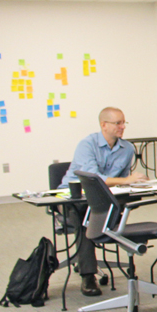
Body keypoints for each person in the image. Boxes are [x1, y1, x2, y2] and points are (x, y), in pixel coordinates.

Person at [60, 107, 148, 296]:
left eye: (124, 122)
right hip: (73, 197)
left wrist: (135, 184)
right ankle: (88, 275)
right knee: (85, 217)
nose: (122, 127)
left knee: (112, 208)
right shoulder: (87, 145)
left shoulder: (127, 149)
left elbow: (122, 182)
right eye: (118, 123)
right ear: (104, 125)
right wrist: (126, 181)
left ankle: (130, 258)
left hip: (104, 198)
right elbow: (93, 179)